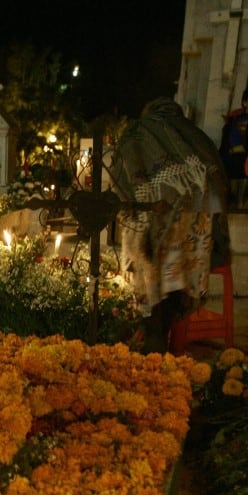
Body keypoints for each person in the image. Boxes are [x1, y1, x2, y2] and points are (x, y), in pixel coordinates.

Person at [109, 97, 229, 353]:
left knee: (145, 241)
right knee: (172, 248)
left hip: (156, 218)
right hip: (199, 228)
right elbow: (219, 179)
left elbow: (120, 179)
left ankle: (154, 328)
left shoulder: (138, 133)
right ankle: (162, 323)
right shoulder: (195, 135)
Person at [219, 88, 248, 207]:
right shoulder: (233, 119)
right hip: (230, 163)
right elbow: (225, 142)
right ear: (245, 102)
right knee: (229, 199)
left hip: (245, 164)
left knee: (243, 201)